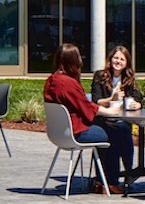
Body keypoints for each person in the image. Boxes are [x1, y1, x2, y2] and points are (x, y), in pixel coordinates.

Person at [41, 43, 130, 193]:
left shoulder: (51, 80)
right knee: (114, 131)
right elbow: (86, 107)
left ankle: (100, 182)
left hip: (59, 133)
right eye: (78, 58)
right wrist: (110, 111)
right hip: (76, 132)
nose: (80, 62)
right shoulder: (68, 83)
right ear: (72, 62)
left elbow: (82, 105)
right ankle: (112, 182)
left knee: (111, 129)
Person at [91, 44, 140, 110]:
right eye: (116, 58)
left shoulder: (129, 78)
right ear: (111, 59)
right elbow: (96, 101)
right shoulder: (100, 76)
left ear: (126, 63)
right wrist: (112, 99)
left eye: (122, 59)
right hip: (105, 116)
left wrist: (136, 105)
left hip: (125, 117)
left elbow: (137, 100)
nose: (118, 61)